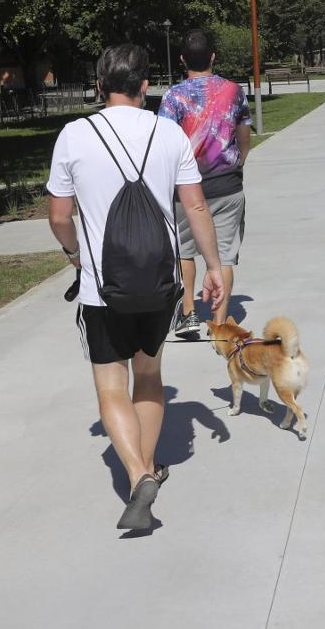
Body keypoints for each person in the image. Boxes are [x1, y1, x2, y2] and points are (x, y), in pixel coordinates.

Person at [47, 43, 223, 530]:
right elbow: (195, 206)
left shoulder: (74, 135)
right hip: (160, 283)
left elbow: (59, 216)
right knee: (148, 377)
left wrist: (75, 254)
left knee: (111, 386)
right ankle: (149, 468)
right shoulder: (168, 132)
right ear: (145, 85)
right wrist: (212, 266)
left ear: (99, 85)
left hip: (102, 288)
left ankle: (138, 474)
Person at [158, 29, 252, 336]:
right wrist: (238, 163)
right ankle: (219, 324)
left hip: (185, 189)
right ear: (213, 56)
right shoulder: (233, 91)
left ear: (182, 59)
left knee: (184, 251)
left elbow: (164, 143)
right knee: (224, 255)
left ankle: (188, 313)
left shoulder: (173, 96)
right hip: (227, 185)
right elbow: (244, 136)